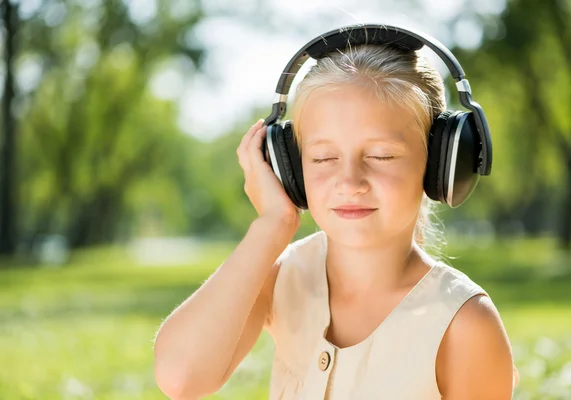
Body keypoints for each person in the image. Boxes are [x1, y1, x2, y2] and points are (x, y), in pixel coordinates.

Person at [153, 34, 520, 400]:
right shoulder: (283, 277)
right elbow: (181, 379)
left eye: (381, 156)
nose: (350, 182)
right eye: (324, 158)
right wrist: (272, 225)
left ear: (441, 165)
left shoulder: (464, 322)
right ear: (290, 169)